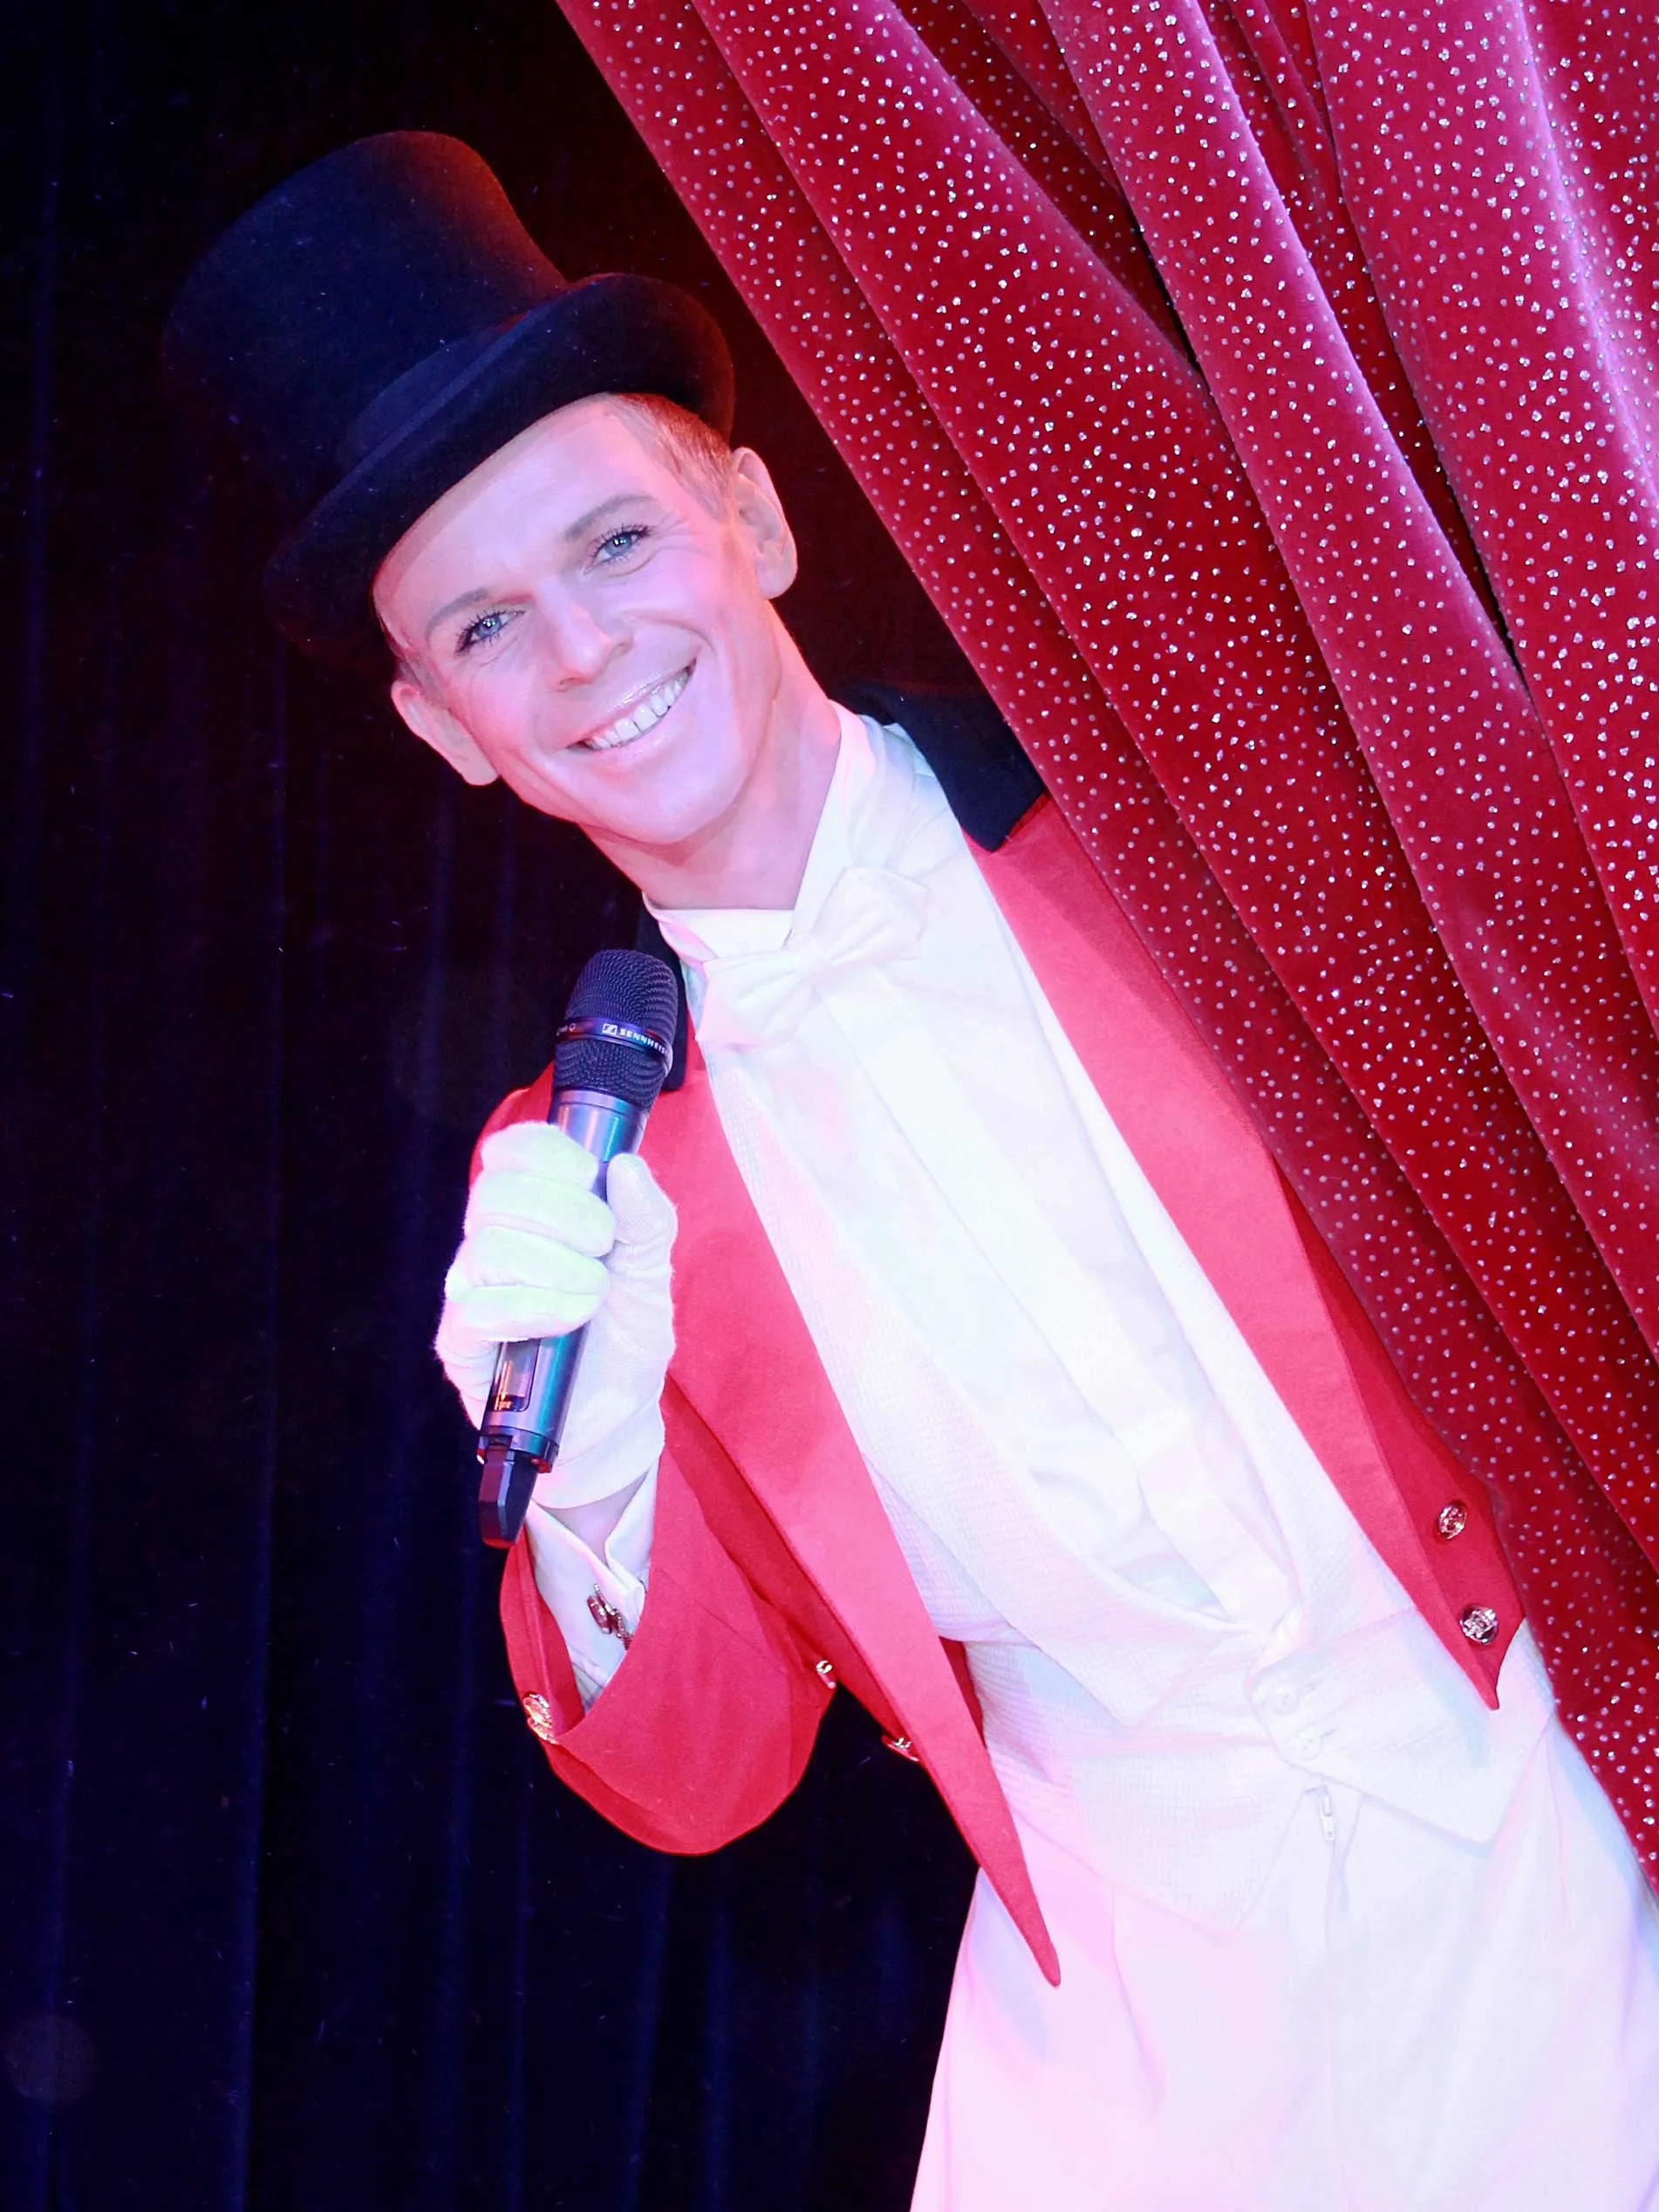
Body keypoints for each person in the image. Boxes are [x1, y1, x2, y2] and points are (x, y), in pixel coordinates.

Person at [165, 132, 1659, 2209]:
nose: (582, 651)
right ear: (446, 727)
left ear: (754, 516)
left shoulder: (1161, 813)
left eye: (615, 539)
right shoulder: (581, 1180)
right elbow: (702, 1775)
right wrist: (588, 1483)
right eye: (491, 623)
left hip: (1552, 1818)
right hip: (1139, 2044)